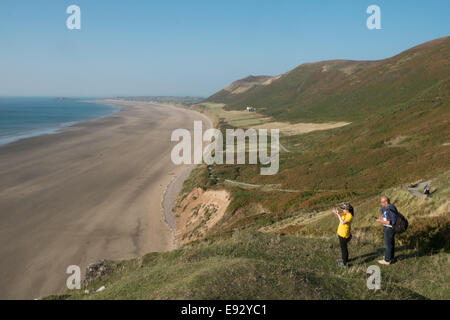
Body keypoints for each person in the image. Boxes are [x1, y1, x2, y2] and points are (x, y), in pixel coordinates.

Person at [376, 196, 398, 265]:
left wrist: (380, 221)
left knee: (388, 244)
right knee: (391, 243)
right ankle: (391, 257)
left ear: (386, 202)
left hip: (389, 228)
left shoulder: (389, 209)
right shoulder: (391, 207)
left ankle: (387, 260)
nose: (381, 203)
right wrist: (382, 218)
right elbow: (388, 218)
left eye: (382, 202)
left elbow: (389, 222)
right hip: (390, 228)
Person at [333, 202, 354, 267]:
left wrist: (339, 215)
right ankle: (344, 259)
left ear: (347, 209)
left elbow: (342, 222)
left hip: (344, 235)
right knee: (343, 248)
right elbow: (339, 217)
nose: (342, 210)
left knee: (344, 249)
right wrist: (336, 213)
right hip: (341, 233)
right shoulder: (345, 214)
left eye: (343, 209)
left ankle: (344, 263)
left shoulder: (349, 216)